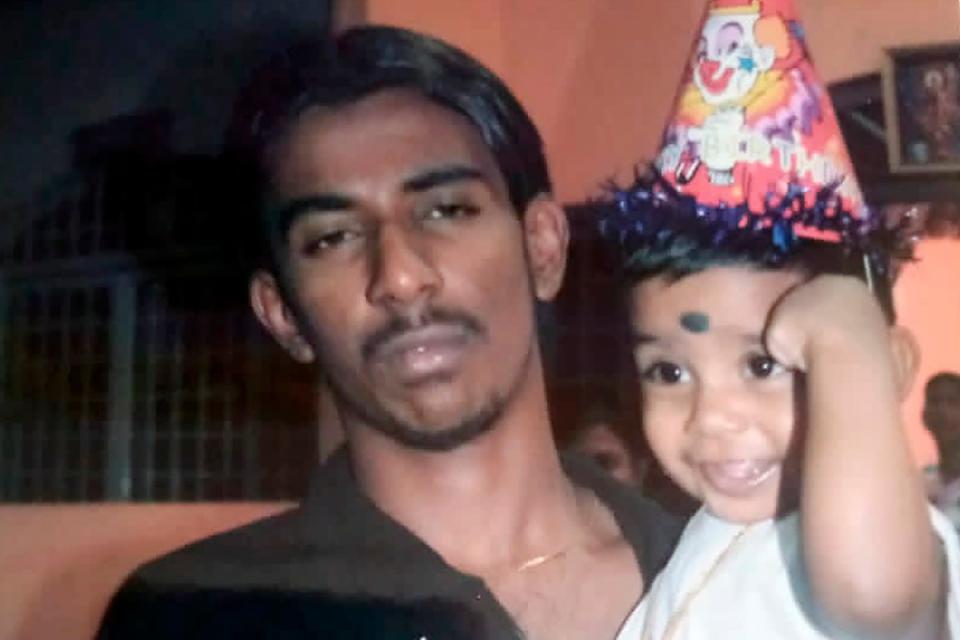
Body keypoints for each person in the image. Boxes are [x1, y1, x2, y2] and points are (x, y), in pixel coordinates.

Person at [96, 25, 683, 640]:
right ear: (282, 314)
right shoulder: (189, 622)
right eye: (333, 238)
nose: (399, 277)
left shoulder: (736, 573)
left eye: (445, 210)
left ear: (541, 247)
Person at [598, 1, 960, 637]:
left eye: (761, 363)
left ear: (888, 365)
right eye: (669, 370)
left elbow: (873, 600)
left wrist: (845, 342)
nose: (710, 416)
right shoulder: (708, 535)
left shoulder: (885, 541)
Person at [924, 371, 960, 530]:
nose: (943, 412)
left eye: (953, 402)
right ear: (925, 417)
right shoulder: (920, 483)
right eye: (935, 401)